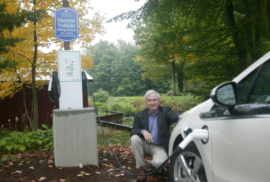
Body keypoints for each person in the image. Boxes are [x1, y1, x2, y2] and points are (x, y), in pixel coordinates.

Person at [130, 90, 183, 182]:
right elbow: (133, 130)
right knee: (134, 138)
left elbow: (173, 115)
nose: (152, 103)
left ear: (159, 101)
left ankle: (159, 167)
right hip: (145, 145)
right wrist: (143, 131)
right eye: (149, 100)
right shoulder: (139, 115)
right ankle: (141, 168)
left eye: (154, 100)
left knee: (159, 163)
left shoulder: (166, 111)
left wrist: (180, 116)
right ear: (145, 102)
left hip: (160, 146)